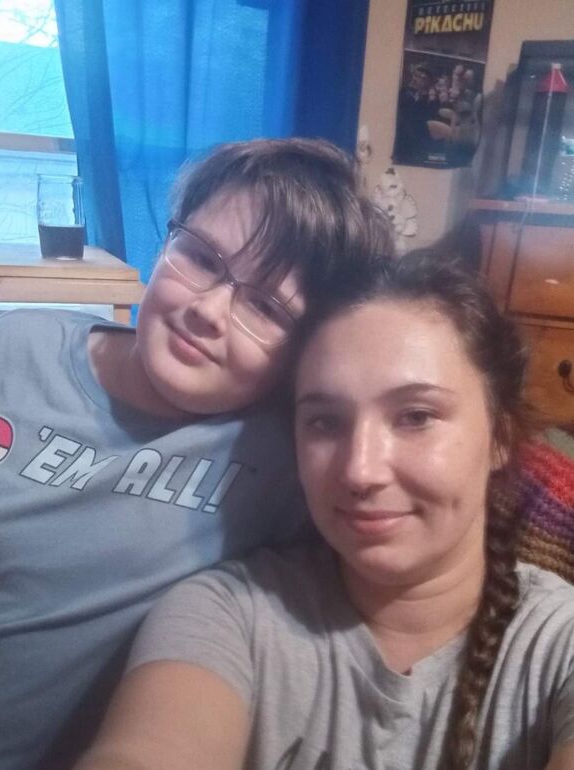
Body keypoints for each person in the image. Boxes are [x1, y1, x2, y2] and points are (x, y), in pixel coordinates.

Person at [0, 138, 394, 770]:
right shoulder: (13, 347)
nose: (207, 310)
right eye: (200, 257)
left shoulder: (289, 460)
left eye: (265, 307)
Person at [78, 252, 574, 770]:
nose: (360, 471)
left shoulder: (557, 644)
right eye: (325, 423)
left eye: (415, 416)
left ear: (499, 437)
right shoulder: (227, 616)